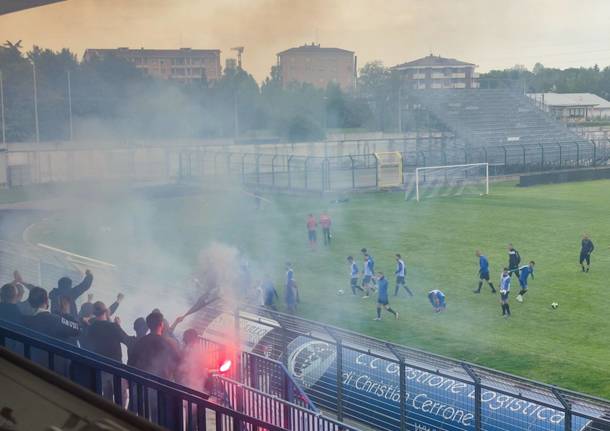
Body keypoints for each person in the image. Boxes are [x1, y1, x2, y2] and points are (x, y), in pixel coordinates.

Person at [127, 311, 181, 380]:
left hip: (141, 384)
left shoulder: (140, 342)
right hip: (161, 386)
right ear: (161, 324)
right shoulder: (168, 344)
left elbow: (131, 364)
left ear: (148, 325)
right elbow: (178, 367)